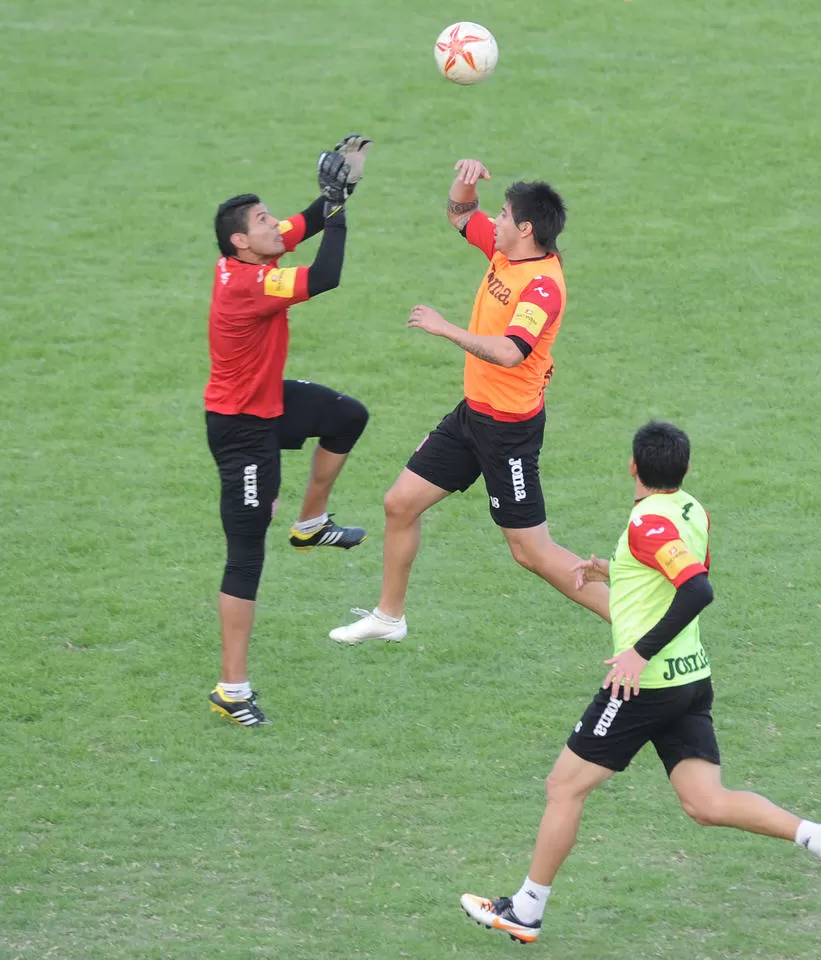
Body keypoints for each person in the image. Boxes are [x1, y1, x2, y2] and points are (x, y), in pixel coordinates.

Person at [459, 421, 821, 943]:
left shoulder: (647, 523)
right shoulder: (692, 509)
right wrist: (617, 571)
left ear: (633, 466)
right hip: (691, 677)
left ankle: (526, 909)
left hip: (643, 685)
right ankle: (820, 837)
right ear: (685, 468)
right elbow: (674, 570)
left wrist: (636, 653)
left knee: (563, 787)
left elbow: (696, 589)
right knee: (706, 803)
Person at [328, 158, 609, 645]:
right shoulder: (507, 253)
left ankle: (639, 623)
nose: (493, 221)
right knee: (399, 504)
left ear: (524, 228)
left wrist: (445, 328)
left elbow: (509, 351)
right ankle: (389, 617)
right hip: (472, 415)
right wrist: (465, 178)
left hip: (509, 432)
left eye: (502, 215)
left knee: (530, 551)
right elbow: (460, 213)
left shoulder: (542, 286)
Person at [205, 136, 373, 726]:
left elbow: (303, 221)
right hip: (243, 430)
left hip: (266, 402)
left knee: (346, 416)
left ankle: (312, 523)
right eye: (261, 221)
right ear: (240, 242)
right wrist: (340, 215)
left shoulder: (255, 254)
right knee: (246, 553)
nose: (276, 225)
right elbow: (325, 275)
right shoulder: (250, 284)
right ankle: (232, 689)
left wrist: (338, 192)